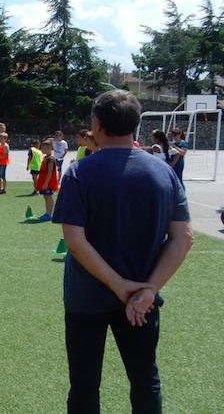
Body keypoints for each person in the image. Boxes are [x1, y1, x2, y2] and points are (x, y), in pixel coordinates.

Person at [52, 90, 193, 413]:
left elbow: (75, 240)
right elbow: (183, 238)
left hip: (87, 298)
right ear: (137, 126)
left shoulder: (79, 171)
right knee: (145, 380)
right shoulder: (164, 172)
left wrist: (117, 285)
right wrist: (147, 290)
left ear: (97, 124)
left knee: (85, 384)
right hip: (142, 300)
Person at [35, 139, 59, 221]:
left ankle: (49, 214)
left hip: (48, 182)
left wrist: (46, 183)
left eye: (43, 148)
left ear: (49, 149)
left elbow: (49, 173)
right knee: (46, 197)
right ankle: (47, 213)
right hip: (44, 181)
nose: (41, 150)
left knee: (48, 197)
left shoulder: (51, 159)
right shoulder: (46, 157)